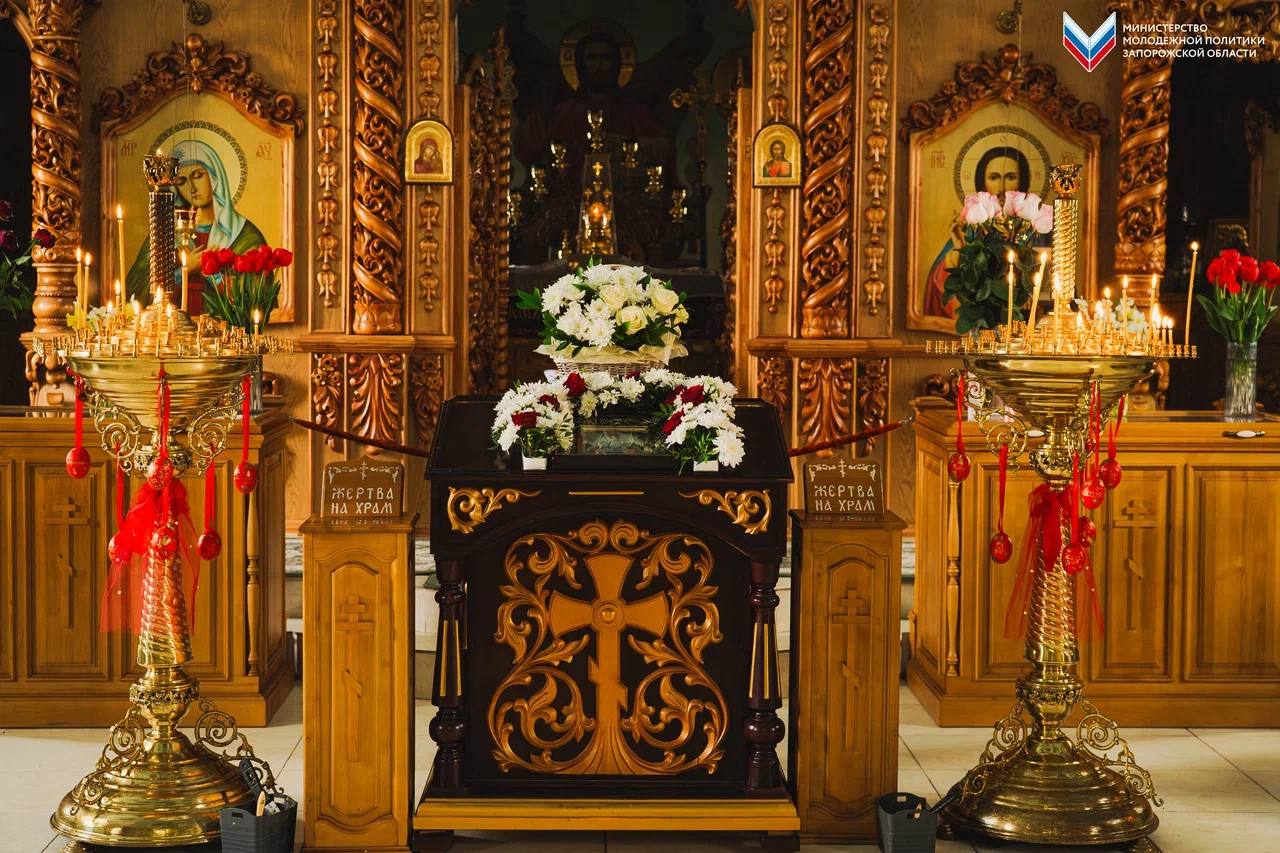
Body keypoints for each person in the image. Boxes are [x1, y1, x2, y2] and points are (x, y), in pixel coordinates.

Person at [126, 138, 267, 310]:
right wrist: (183, 272)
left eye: (198, 175)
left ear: (215, 176)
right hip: (175, 326)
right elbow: (136, 290)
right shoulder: (164, 232)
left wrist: (212, 274)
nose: (192, 188)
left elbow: (256, 297)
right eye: (182, 181)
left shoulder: (245, 235)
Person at [923, 145, 1031, 318]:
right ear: (983, 184)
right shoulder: (972, 231)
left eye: (1011, 177)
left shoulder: (1033, 229)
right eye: (994, 177)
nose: (1002, 188)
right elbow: (939, 282)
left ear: (1022, 182)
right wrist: (960, 249)